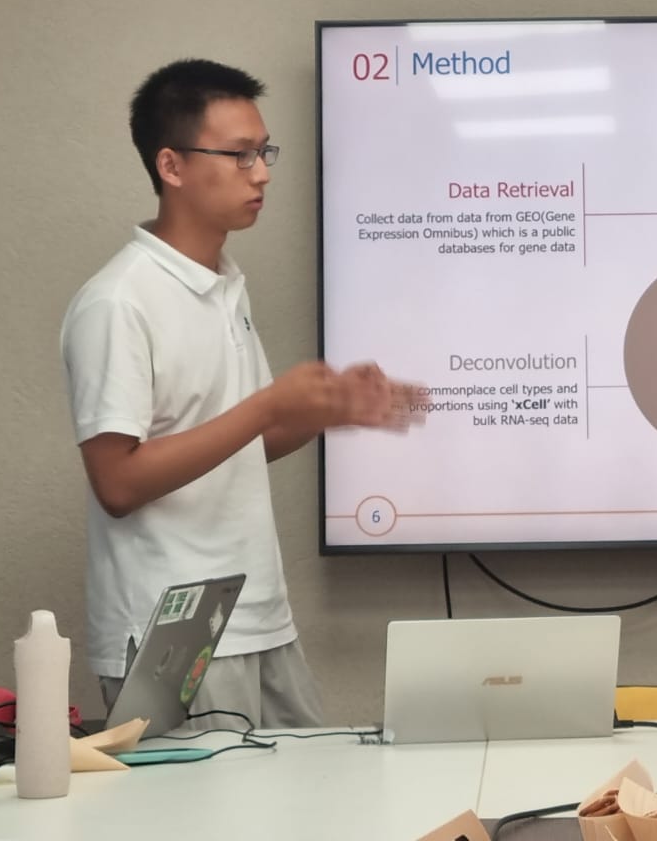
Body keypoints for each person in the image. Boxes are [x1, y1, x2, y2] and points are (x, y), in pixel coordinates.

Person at [60, 58, 416, 728]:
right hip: (171, 632)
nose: (262, 174)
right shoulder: (118, 301)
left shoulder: (223, 282)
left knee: (316, 785)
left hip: (256, 614)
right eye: (240, 155)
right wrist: (268, 405)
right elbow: (118, 482)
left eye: (264, 152)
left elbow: (242, 442)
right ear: (171, 166)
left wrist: (322, 413)